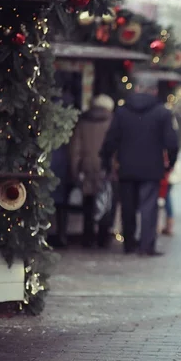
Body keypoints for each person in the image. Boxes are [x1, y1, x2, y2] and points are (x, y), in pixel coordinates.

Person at [100, 76, 179, 256]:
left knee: (128, 207)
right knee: (148, 207)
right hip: (152, 168)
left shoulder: (122, 111)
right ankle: (146, 246)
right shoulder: (162, 112)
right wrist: (170, 163)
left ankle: (129, 245)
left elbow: (111, 139)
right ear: (155, 90)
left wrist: (106, 160)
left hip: (126, 167)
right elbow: (172, 142)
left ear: (136, 89)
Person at [69, 94, 114, 247]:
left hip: (86, 166)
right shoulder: (112, 121)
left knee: (88, 203)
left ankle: (87, 238)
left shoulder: (83, 122)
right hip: (105, 167)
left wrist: (75, 170)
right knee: (106, 202)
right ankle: (103, 239)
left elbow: (76, 148)